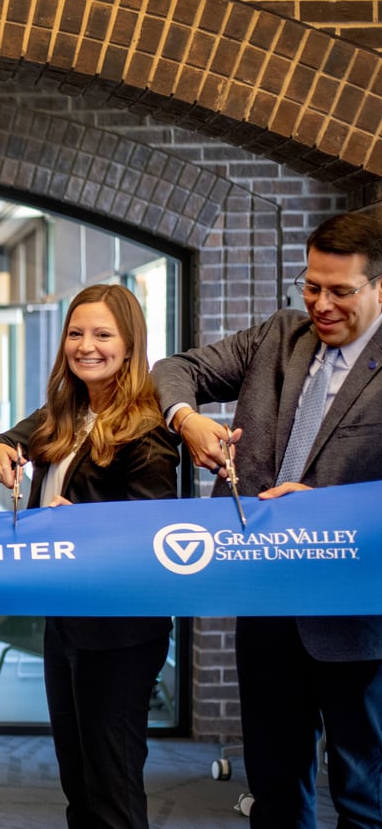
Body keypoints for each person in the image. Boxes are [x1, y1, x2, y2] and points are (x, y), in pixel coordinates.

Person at [152, 211, 382, 828]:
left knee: (364, 795)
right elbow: (177, 371)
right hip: (268, 603)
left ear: (379, 286)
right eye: (312, 286)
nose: (322, 305)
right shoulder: (281, 335)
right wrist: (187, 418)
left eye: (340, 291)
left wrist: (323, 508)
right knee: (275, 793)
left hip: (357, 615)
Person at [0, 284, 178, 829]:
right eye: (75, 333)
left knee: (112, 791)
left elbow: (150, 539)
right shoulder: (66, 412)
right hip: (64, 623)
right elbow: (1, 443)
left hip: (119, 633)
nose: (86, 346)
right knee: (78, 786)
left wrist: (80, 526)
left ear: (131, 345)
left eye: (102, 335)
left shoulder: (149, 431)